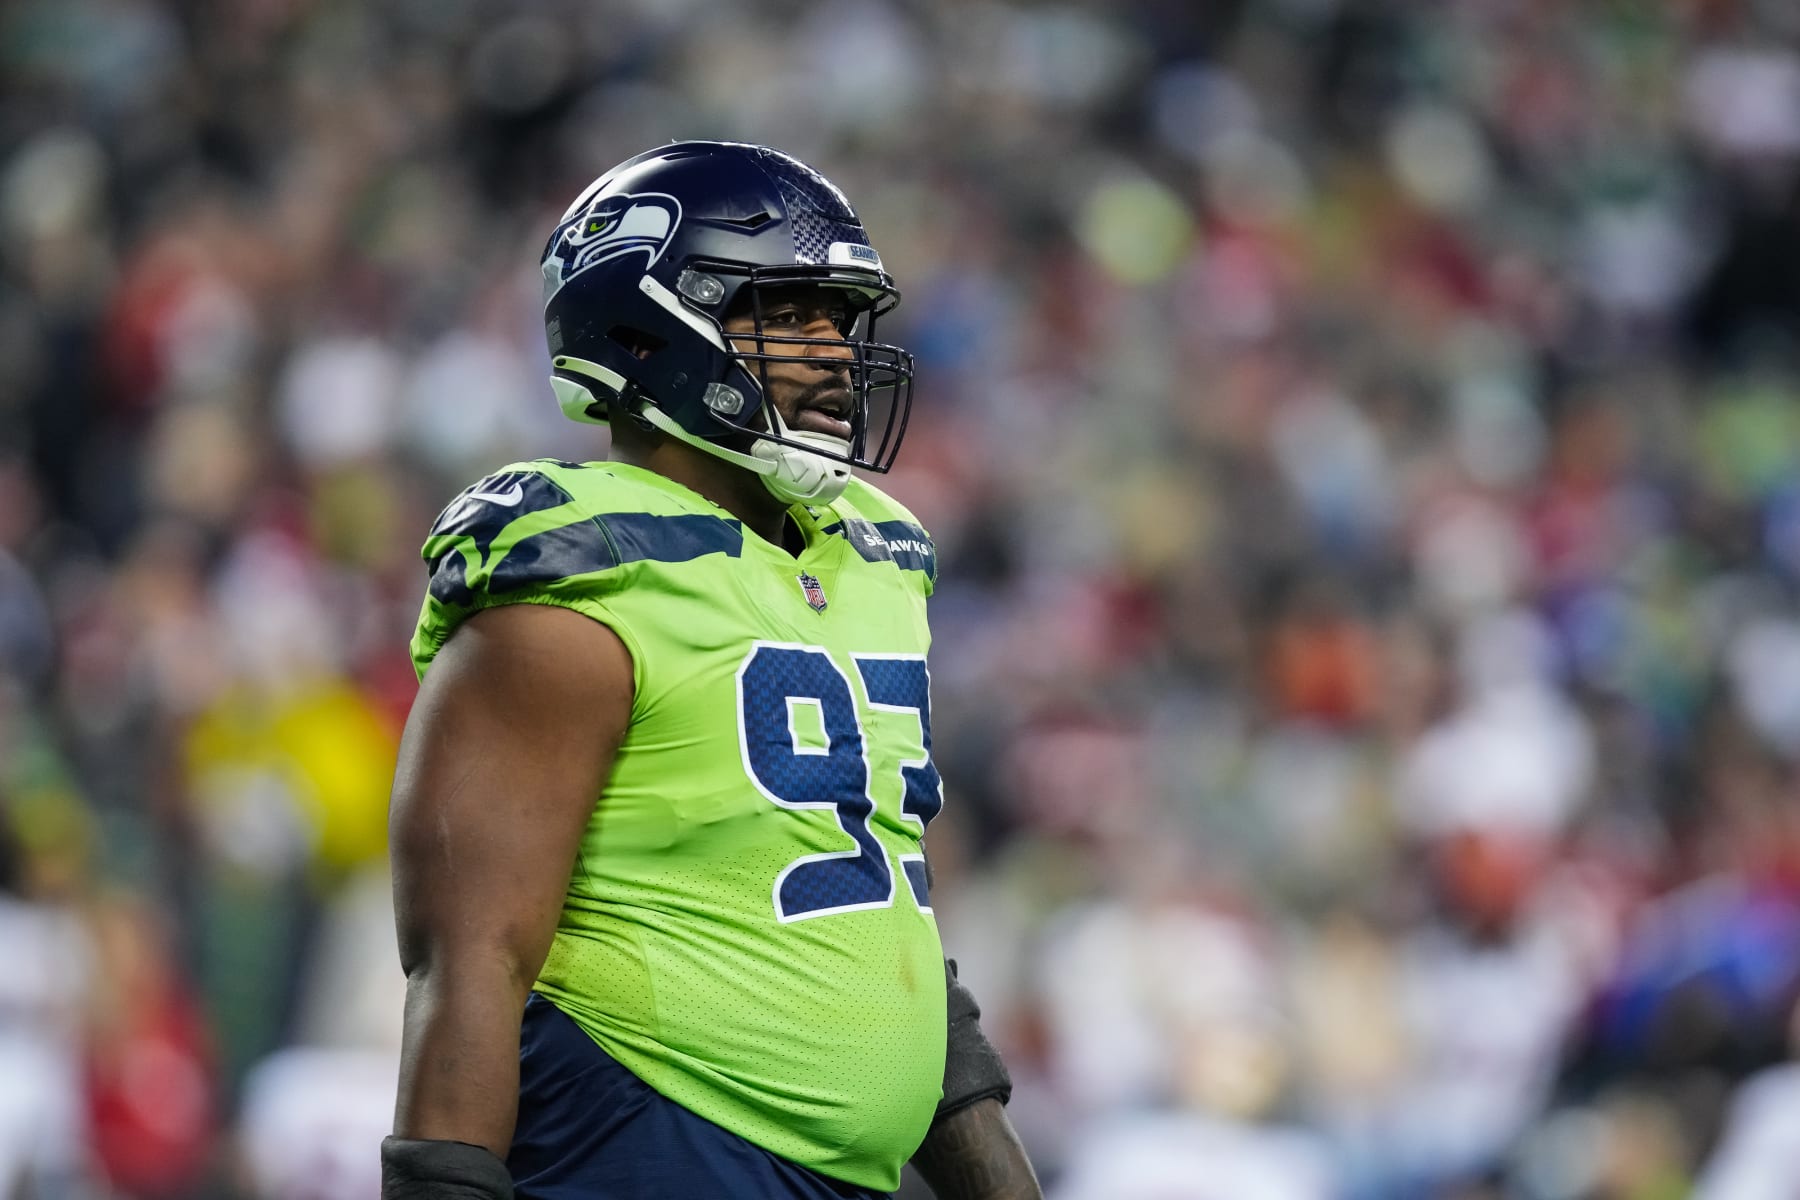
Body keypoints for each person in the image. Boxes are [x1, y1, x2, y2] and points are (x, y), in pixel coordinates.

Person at [381, 141, 1041, 1200]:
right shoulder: (582, 571)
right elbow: (471, 963)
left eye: (841, 318)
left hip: (853, 1172)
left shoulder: (875, 554)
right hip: (650, 1145)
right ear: (650, 323)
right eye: (789, 315)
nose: (834, 353)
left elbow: (885, 912)